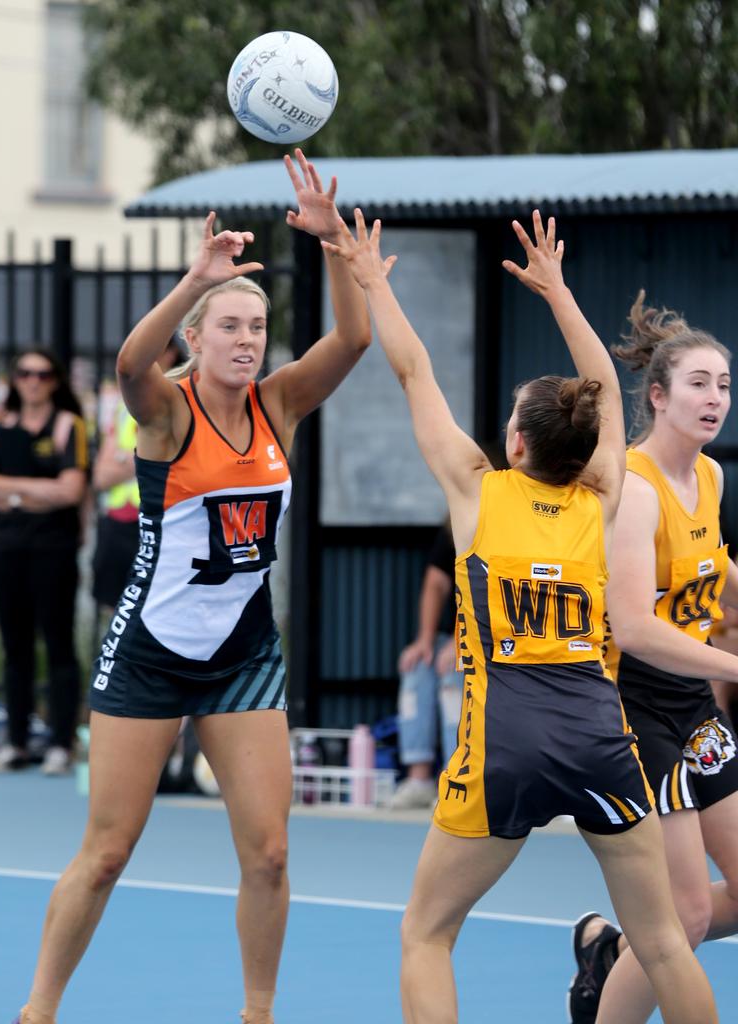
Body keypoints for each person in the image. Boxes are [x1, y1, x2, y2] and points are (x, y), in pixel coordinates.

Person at [324, 208, 718, 1024]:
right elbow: (606, 388)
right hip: (598, 737)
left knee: (426, 935)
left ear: (516, 445)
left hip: (501, 741)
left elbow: (414, 373)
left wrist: (370, 280)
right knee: (666, 940)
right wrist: (559, 291)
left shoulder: (476, 492)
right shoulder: (603, 498)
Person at [10, 148, 371, 1024]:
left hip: (243, 655)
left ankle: (257, 1013)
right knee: (105, 852)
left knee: (272, 853)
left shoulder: (277, 404)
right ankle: (38, 1012)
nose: (247, 341)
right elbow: (133, 364)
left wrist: (332, 245)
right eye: (230, 327)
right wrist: (193, 278)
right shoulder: (168, 411)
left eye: (256, 327)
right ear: (199, 340)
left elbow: (355, 339)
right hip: (151, 654)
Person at [567, 295, 738, 1024]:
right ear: (659, 397)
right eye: (699, 383)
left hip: (691, 704)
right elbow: (633, 627)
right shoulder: (633, 492)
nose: (716, 399)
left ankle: (611, 952)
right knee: (687, 917)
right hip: (632, 708)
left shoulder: (710, 477)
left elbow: (714, 569)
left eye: (725, 384)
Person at [0, 348, 89, 776]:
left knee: (58, 643)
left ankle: (61, 742)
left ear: (54, 381)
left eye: (42, 374)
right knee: (14, 646)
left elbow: (71, 489)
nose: (33, 381)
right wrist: (38, 489)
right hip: (8, 549)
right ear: (15, 379)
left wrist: (13, 495)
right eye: (25, 373)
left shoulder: (67, 426)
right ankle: (16, 741)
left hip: (53, 549)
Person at [91, 337, 184, 612]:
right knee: (116, 610)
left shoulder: (184, 396)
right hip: (120, 520)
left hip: (164, 523)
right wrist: (147, 456)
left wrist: (125, 459)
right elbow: (101, 477)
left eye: (156, 349)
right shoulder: (123, 406)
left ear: (172, 354)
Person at [390, 519, 464, 810]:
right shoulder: (452, 527)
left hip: (494, 640)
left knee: (454, 676)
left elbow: (487, 588)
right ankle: (418, 779)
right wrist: (424, 639)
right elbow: (436, 582)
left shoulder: (501, 522)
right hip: (452, 636)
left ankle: (455, 777)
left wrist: (461, 641)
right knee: (416, 666)